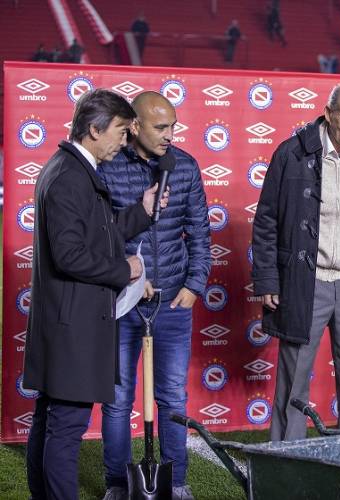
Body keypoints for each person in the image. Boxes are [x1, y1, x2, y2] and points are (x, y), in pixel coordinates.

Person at [23, 89, 164, 500]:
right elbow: (70, 255)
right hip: (74, 328)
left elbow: (98, 237)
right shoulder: (69, 176)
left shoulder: (71, 169)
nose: (124, 142)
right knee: (64, 427)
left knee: (50, 421)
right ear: (93, 129)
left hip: (67, 322)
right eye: (120, 131)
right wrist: (127, 269)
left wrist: (141, 210)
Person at [252, 85, 340, 441]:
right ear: (328, 114)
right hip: (304, 281)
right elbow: (266, 220)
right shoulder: (291, 154)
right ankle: (287, 458)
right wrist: (268, 280)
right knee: (294, 377)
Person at [97, 92, 210, 500]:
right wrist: (128, 276)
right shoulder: (107, 165)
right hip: (123, 303)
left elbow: (200, 232)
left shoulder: (184, 166)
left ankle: (176, 482)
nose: (170, 135)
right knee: (118, 397)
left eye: (173, 126)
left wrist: (194, 285)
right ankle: (116, 484)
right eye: (161, 127)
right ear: (135, 126)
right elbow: (99, 234)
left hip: (173, 305)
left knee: (172, 396)